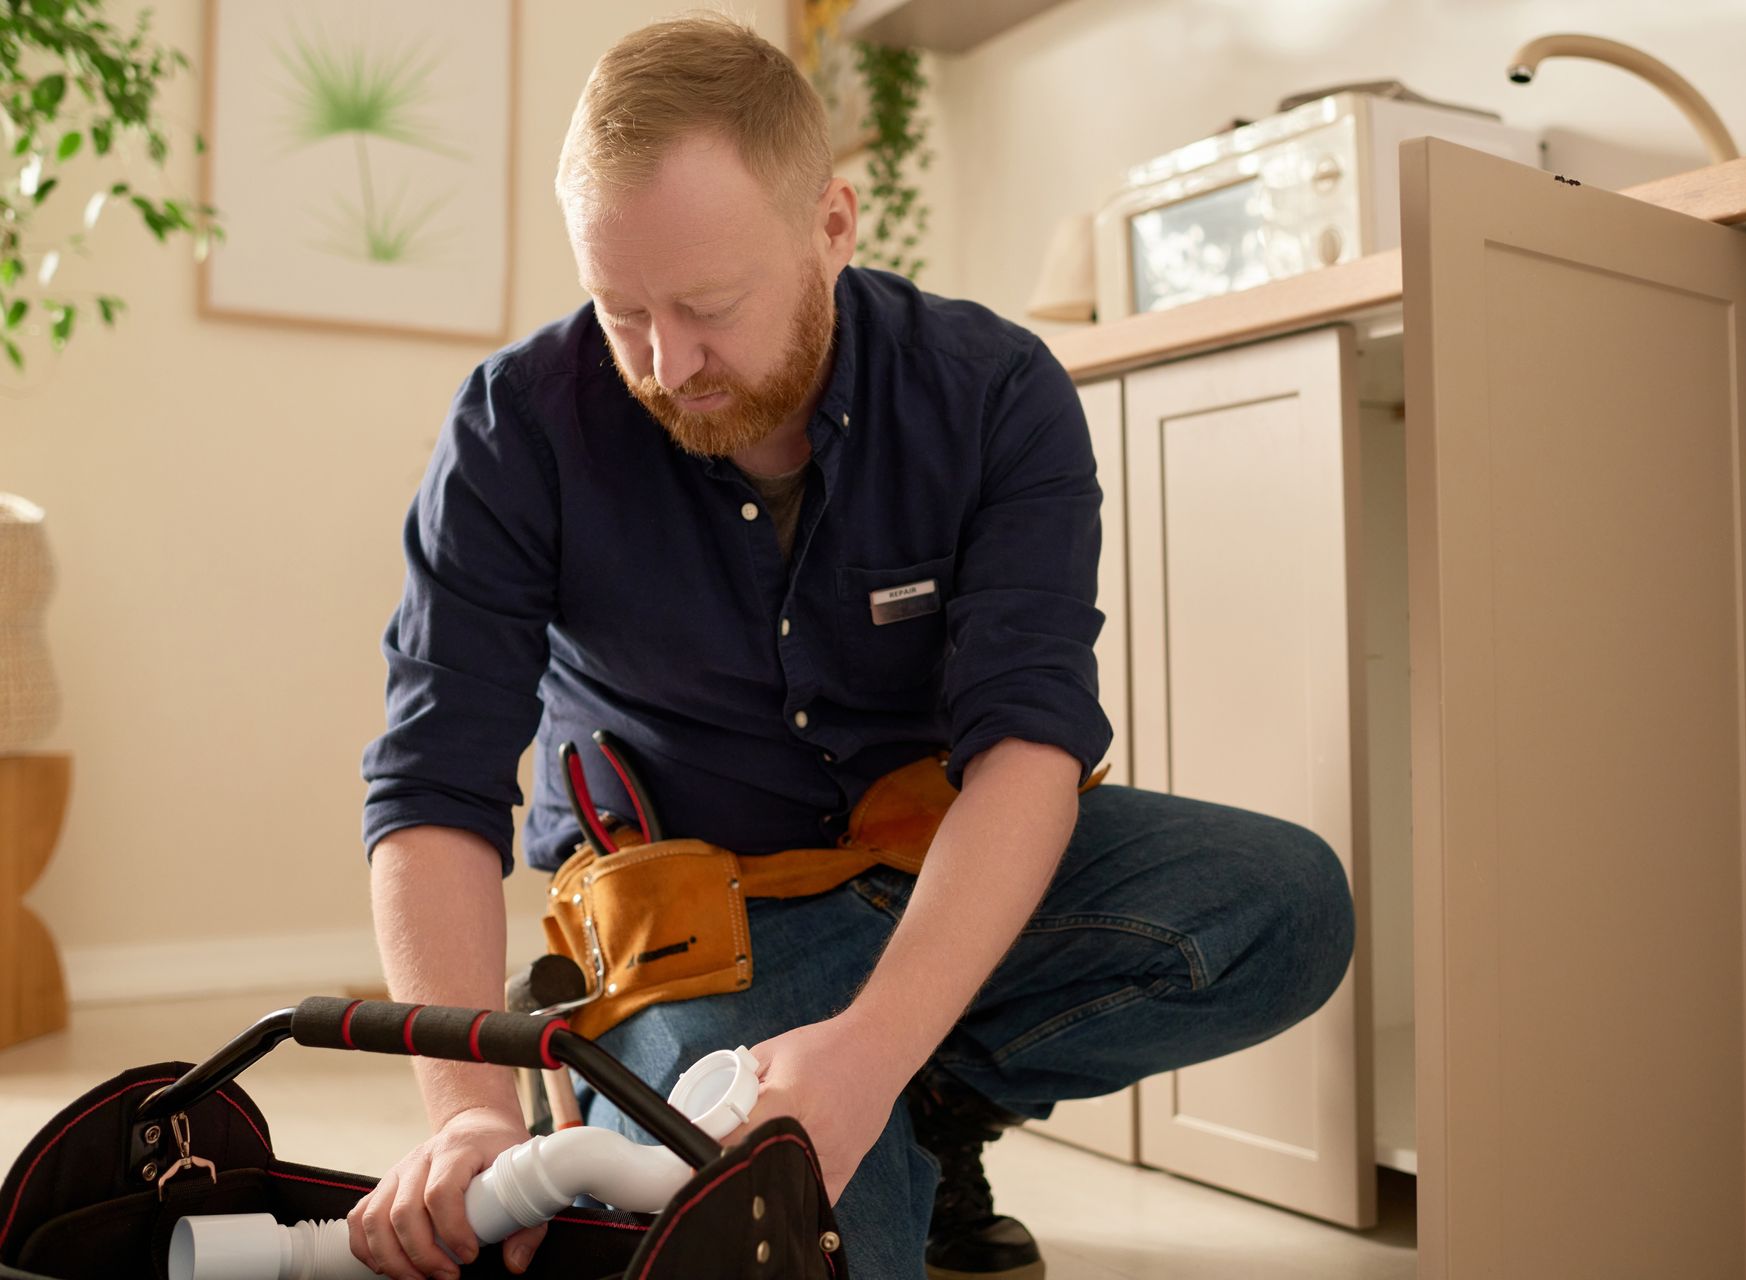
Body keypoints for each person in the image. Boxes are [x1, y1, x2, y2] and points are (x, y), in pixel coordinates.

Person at [350, 14, 1354, 1280]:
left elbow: (1028, 748)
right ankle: (629, 1071)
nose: (667, 364)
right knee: (783, 1247)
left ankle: (927, 1094)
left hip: (929, 865)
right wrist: (473, 1117)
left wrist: (874, 1052)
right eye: (622, 314)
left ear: (833, 221)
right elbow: (432, 784)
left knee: (1285, 905)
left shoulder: (995, 393)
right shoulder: (516, 426)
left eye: (708, 307)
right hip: (694, 928)